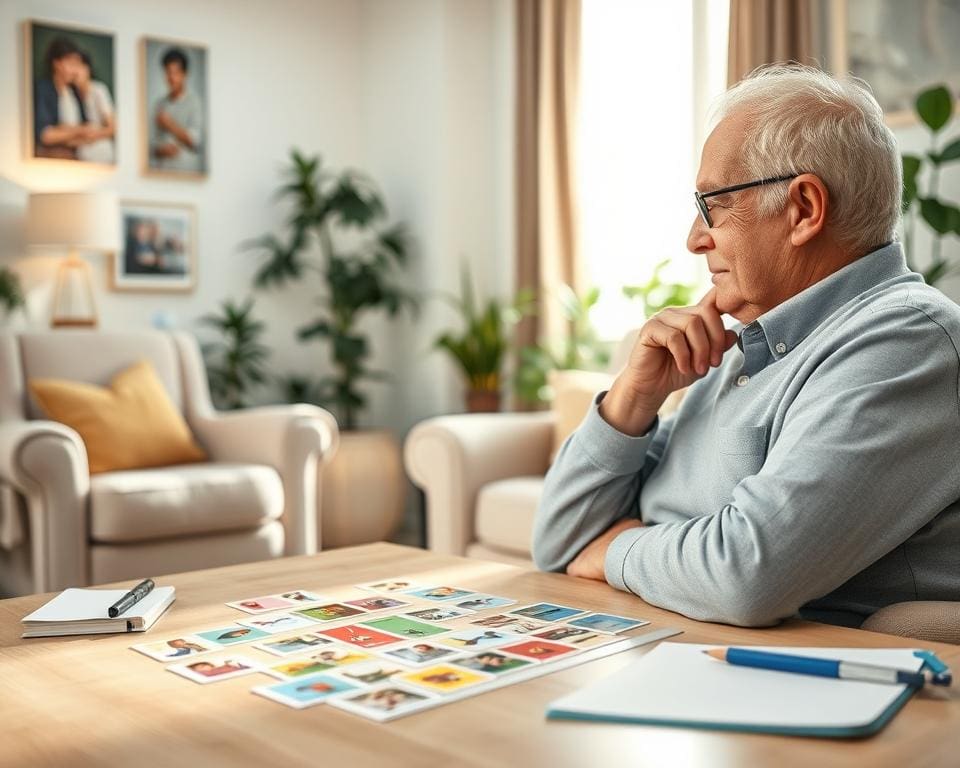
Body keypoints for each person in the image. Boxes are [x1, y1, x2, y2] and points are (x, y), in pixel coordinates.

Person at [533, 64, 960, 629]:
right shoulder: (743, 339)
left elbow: (745, 576)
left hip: (799, 676)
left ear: (804, 208)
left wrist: (619, 549)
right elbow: (559, 543)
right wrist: (631, 403)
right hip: (672, 639)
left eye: (714, 204)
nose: (694, 237)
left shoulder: (907, 341)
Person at [33, 36, 91, 159]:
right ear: (57, 63)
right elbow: (46, 135)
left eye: (77, 64)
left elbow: (88, 128)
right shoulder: (43, 89)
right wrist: (78, 131)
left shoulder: (75, 92)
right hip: (54, 156)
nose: (75, 70)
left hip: (79, 153)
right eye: (71, 63)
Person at [151, 47, 204, 172]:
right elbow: (151, 146)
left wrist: (169, 124)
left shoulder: (194, 103)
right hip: (162, 171)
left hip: (187, 172)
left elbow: (194, 142)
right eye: (168, 72)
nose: (171, 77)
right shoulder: (159, 104)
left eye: (176, 72)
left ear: (184, 74)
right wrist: (161, 150)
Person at [73, 51, 115, 163]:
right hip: (80, 153)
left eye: (79, 67)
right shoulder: (70, 93)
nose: (75, 72)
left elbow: (112, 128)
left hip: (100, 151)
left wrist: (92, 134)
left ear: (87, 69)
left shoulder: (98, 90)